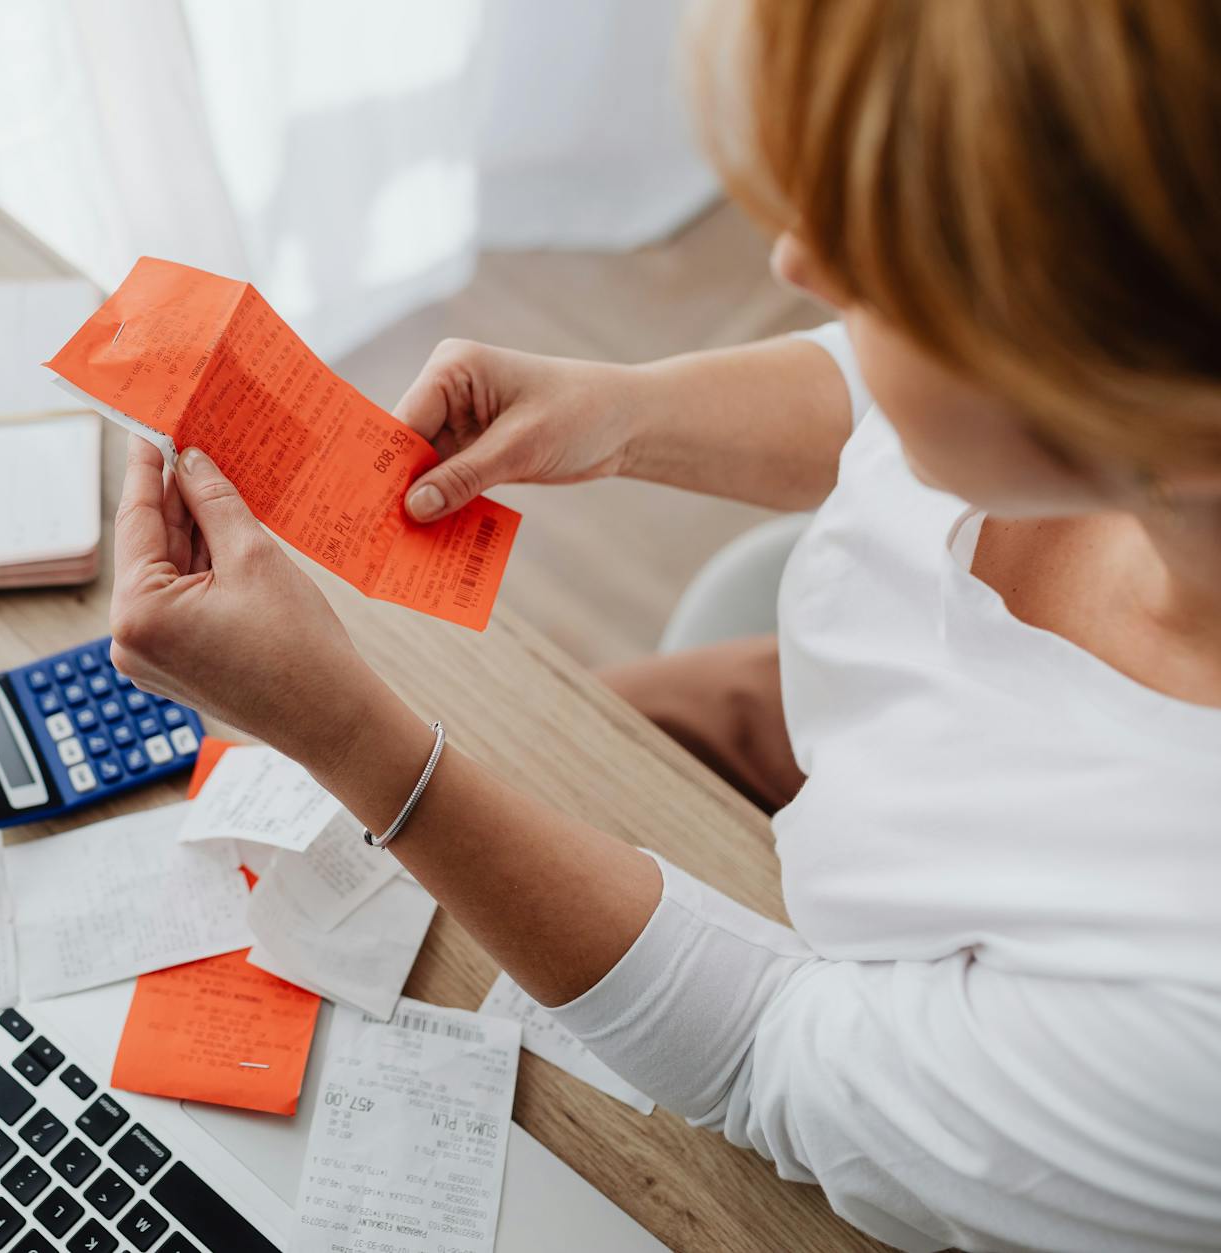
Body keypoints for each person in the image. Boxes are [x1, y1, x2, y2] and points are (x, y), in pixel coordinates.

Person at [105, 2, 1221, 1250]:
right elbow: (876, 392)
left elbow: (764, 1054)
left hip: (884, 1013)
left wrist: (345, 732)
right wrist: (622, 412)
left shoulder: (1188, 1023)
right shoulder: (1140, 385)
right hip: (822, 741)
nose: (796, 266)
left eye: (888, 259)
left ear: (1115, 374)